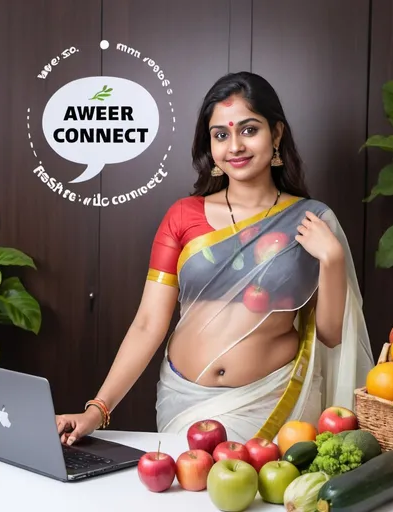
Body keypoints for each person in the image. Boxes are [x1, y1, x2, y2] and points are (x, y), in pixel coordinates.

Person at [57, 71, 374, 445]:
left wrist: (332, 259)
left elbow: (331, 335)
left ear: (276, 134)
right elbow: (147, 324)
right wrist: (97, 409)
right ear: (210, 146)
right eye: (221, 135)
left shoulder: (312, 221)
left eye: (249, 130)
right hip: (184, 403)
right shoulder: (182, 216)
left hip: (270, 402)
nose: (235, 146)